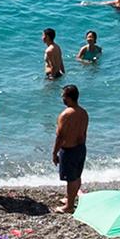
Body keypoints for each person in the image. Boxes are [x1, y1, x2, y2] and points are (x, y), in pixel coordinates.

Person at [52, 85, 88, 214]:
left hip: (69, 149)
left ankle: (69, 206)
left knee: (70, 179)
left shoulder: (65, 114)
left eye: (63, 96)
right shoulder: (83, 112)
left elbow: (60, 136)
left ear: (68, 97)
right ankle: (70, 199)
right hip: (81, 148)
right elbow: (84, 133)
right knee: (77, 176)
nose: (62, 98)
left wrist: (54, 152)